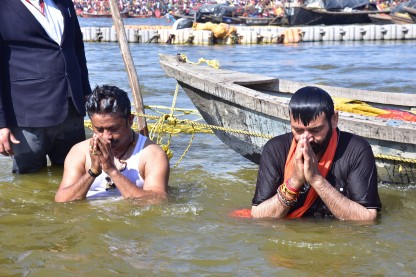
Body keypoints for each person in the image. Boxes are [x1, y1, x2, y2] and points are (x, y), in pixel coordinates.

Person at [250, 86, 382, 221]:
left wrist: (316, 179)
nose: (306, 138)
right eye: (298, 130)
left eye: (316, 130)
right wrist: (295, 181)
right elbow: (258, 215)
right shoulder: (275, 149)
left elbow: (368, 218)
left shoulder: (357, 150)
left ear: (334, 120)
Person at [0, 0, 92, 173]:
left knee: (75, 172)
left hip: (71, 107)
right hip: (27, 114)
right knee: (29, 182)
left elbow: (77, 47)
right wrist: (1, 124)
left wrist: (85, 91)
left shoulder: (64, 2)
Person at [55, 85, 169, 202]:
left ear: (130, 121)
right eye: (99, 129)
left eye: (113, 129)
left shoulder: (152, 154)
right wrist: (93, 172)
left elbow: (157, 202)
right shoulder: (79, 152)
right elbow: (62, 200)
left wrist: (111, 170)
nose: (106, 137)